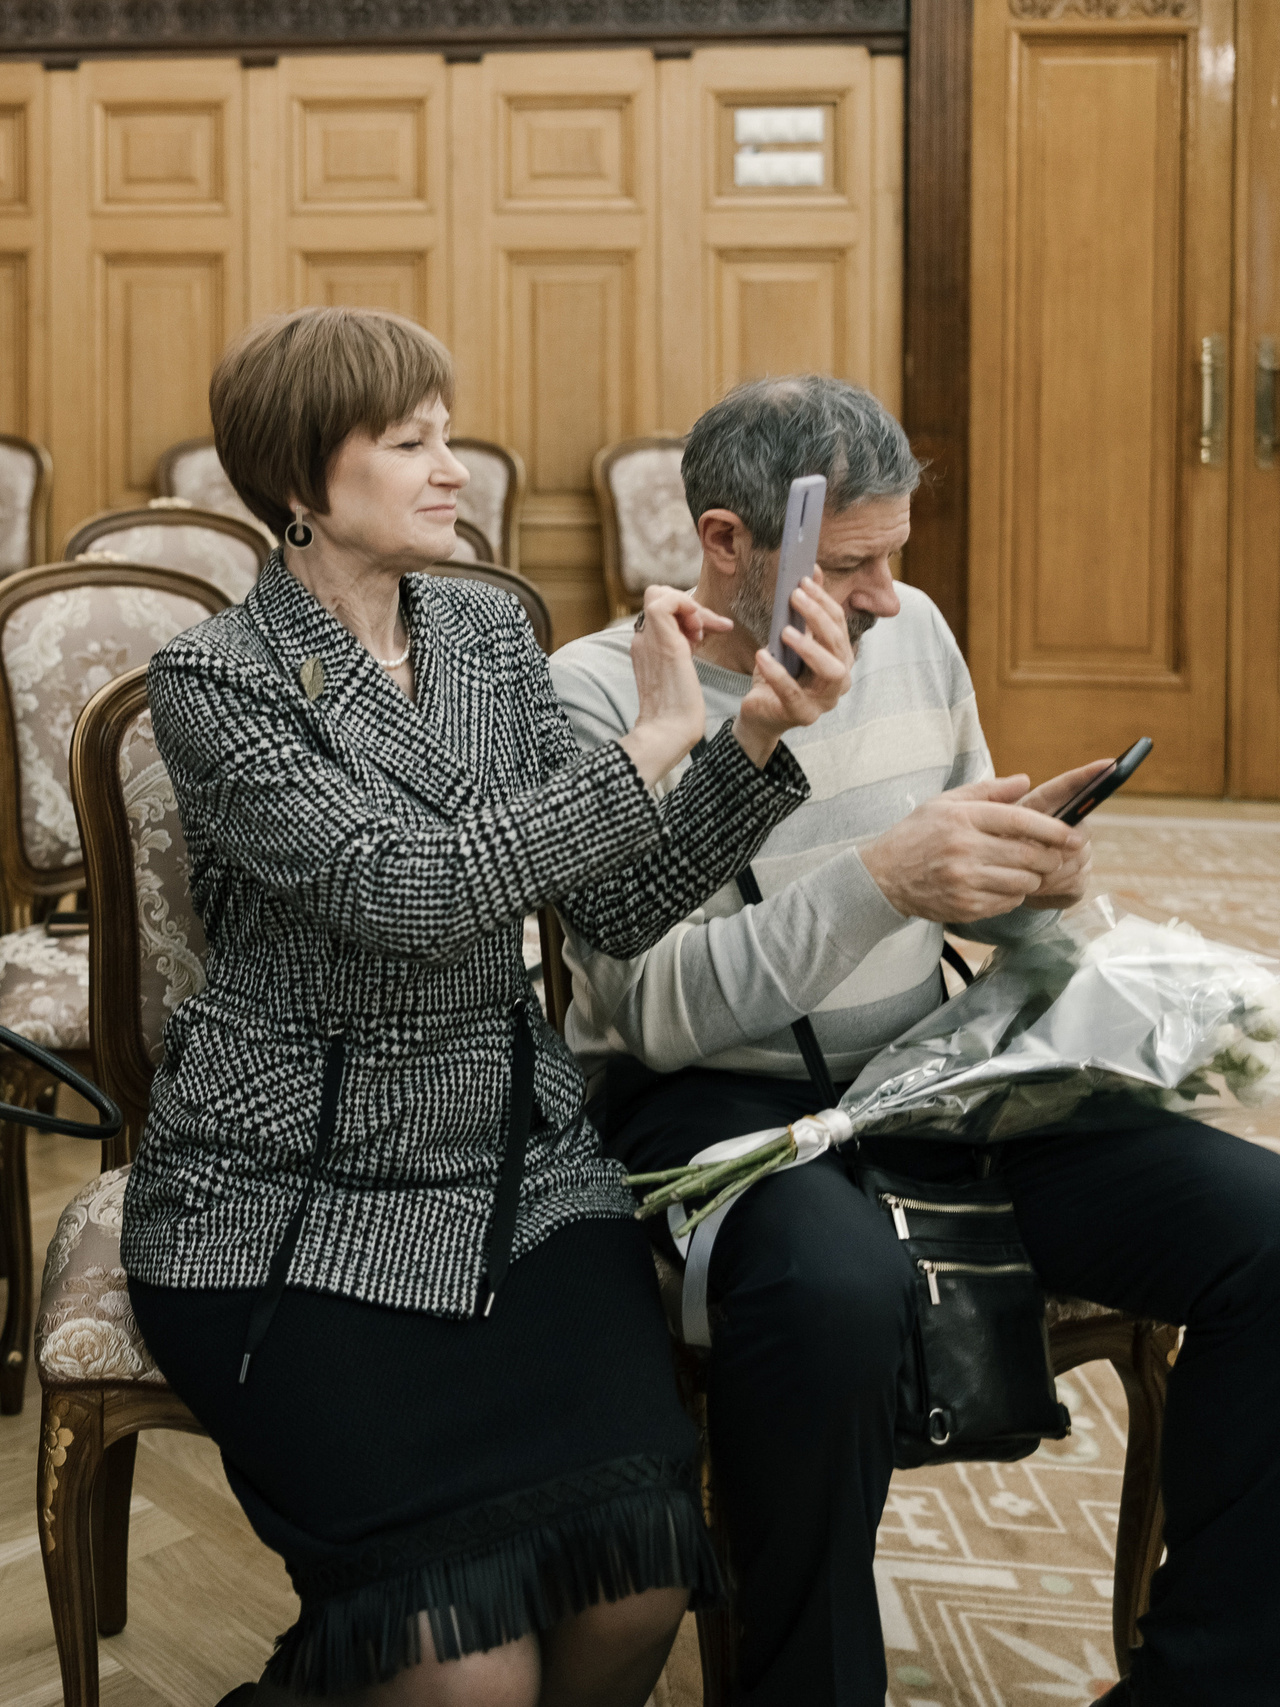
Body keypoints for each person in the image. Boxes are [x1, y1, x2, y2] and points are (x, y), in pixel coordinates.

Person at [119, 307, 857, 1707]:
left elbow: (619, 905)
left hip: (513, 1161)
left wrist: (750, 738)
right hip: (292, 1191)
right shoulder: (218, 676)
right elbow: (406, 892)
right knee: (463, 1675)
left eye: (446, 433)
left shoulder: (485, 631)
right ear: (297, 480)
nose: (452, 466)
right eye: (410, 442)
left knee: (639, 1584)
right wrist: (642, 747)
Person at [550, 375, 1280, 1707]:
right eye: (852, 564)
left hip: (933, 1072)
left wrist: (1032, 879)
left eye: (898, 554)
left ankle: (1210, 1682)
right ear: (724, 541)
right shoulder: (599, 698)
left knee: (1270, 1223)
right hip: (711, 1107)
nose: (888, 593)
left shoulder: (914, 629)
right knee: (831, 1296)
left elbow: (954, 867)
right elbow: (649, 1012)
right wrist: (882, 878)